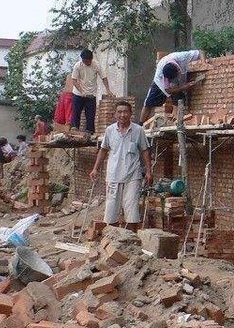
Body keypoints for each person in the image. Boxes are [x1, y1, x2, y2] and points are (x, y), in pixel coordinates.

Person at [89, 101, 153, 232]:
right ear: (115, 114)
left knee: (132, 210)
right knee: (111, 210)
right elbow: (103, 150)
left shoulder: (138, 130)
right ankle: (113, 238)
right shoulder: (110, 130)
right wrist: (95, 169)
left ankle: (131, 239)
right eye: (119, 112)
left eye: (125, 112)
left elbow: (145, 151)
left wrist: (148, 171)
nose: (122, 115)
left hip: (133, 176)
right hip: (113, 175)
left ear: (130, 114)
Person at [139, 49, 206, 123]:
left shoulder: (182, 57)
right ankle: (141, 124)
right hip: (159, 83)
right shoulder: (163, 74)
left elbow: (200, 52)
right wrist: (183, 87)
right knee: (148, 103)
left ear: (177, 70)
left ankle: (175, 118)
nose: (172, 82)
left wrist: (204, 64)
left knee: (179, 98)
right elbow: (168, 90)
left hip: (179, 80)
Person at [70, 49, 113, 134]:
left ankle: (90, 133)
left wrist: (108, 90)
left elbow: (104, 78)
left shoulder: (96, 65)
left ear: (91, 59)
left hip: (91, 94)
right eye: (84, 61)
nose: (86, 63)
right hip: (78, 94)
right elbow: (74, 80)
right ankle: (74, 131)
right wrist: (81, 91)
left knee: (90, 115)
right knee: (76, 113)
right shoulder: (78, 66)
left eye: (87, 61)